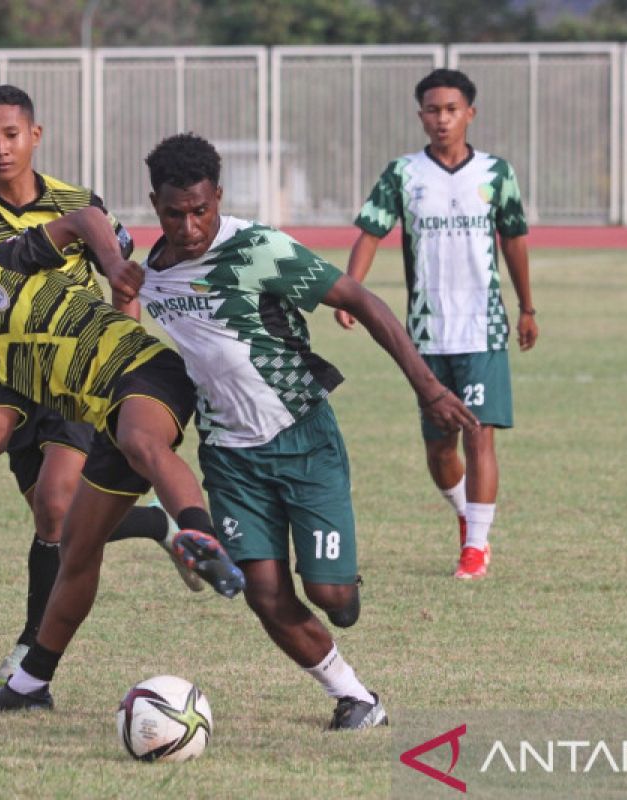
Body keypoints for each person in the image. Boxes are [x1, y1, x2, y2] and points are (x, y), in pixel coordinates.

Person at [138, 133, 479, 729]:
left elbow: (364, 302)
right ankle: (356, 697)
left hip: (303, 437)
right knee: (263, 593)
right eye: (174, 213)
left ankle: (339, 577)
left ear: (218, 197)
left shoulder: (257, 249)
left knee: (333, 600)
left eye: (201, 210)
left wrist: (428, 388)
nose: (189, 226)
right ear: (154, 205)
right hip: (228, 457)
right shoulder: (149, 276)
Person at [0, 205, 245, 713]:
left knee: (143, 443)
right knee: (74, 546)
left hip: (144, 371)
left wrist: (112, 265)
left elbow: (84, 218)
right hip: (107, 422)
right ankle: (30, 687)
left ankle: (200, 536)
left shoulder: (3, 265)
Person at [0, 85, 201, 686]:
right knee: (50, 521)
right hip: (7, 383)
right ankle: (158, 524)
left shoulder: (81, 203)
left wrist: (123, 371)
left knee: (58, 503)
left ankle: (30, 657)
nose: (0, 148)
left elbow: (123, 282)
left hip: (79, 374)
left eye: (11, 134)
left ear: (35, 135)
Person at [336, 68, 538, 580]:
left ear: (470, 113)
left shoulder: (495, 173)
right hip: (426, 333)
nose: (442, 119)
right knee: (439, 446)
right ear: (421, 114)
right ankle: (468, 518)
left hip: (484, 328)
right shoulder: (403, 175)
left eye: (451, 109)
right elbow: (369, 234)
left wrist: (527, 308)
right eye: (432, 109)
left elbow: (513, 239)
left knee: (480, 436)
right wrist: (348, 294)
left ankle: (476, 548)